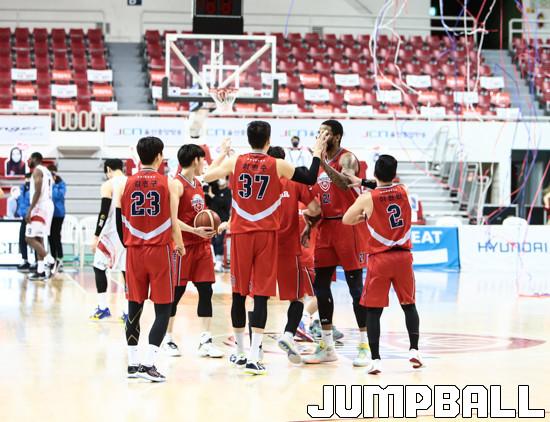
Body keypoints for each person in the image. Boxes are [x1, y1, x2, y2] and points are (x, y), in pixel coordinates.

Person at [204, 121, 326, 375]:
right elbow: (310, 177)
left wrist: (222, 154)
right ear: (268, 140)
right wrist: (316, 152)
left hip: (240, 234)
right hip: (266, 235)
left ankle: (239, 352)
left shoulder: (235, 161)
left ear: (248, 139)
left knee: (238, 294)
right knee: (261, 295)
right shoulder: (277, 164)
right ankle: (253, 356)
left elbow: (206, 177)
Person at [302, 120, 376, 367]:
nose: (321, 136)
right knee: (321, 287)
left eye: (325, 133)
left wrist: (322, 161)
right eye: (318, 133)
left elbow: (345, 183)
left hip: (348, 226)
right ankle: (327, 346)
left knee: (356, 289)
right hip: (326, 228)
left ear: (337, 136)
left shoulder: (347, 158)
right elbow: (320, 198)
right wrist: (310, 225)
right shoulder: (317, 162)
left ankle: (365, 346)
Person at [342, 154, 422, 374]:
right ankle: (414, 350)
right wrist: (362, 182)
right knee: (409, 305)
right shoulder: (404, 190)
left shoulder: (367, 198)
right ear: (394, 173)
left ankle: (376, 359)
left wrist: (363, 217)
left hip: (380, 259)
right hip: (403, 258)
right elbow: (385, 186)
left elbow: (346, 219)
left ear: (375, 172)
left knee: (373, 311)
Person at [114, 136, 185, 382]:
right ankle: (149, 363)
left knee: (133, 307)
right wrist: (180, 245)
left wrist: (129, 244)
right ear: (159, 156)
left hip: (134, 251)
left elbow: (119, 221)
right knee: (164, 309)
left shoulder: (124, 183)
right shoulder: (170, 183)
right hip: (159, 250)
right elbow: (174, 222)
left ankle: (133, 363)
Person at [165, 144, 224, 359]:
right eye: (203, 159)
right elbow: (171, 218)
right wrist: (194, 230)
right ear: (195, 160)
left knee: (206, 291)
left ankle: (205, 341)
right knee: (176, 294)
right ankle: (167, 339)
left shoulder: (198, 182)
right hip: (183, 247)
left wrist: (211, 226)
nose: (205, 163)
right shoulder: (176, 184)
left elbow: (212, 172)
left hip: (202, 247)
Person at [266, 146, 321, 363]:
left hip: (263, 246)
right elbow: (316, 209)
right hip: (288, 248)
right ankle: (289, 334)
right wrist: (306, 217)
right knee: (297, 297)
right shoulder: (296, 182)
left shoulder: (258, 181)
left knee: (258, 298)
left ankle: (252, 348)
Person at [90, 159, 128, 321]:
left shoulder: (109, 184)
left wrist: (95, 236)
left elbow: (103, 213)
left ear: (108, 169)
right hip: (127, 233)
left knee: (98, 267)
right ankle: (128, 312)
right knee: (127, 272)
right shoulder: (131, 181)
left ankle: (103, 307)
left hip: (110, 234)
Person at [25, 152, 55, 280]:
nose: (28, 161)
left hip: (40, 206)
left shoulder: (37, 170)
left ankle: (50, 260)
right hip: (47, 205)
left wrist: (30, 210)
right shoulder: (46, 171)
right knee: (38, 238)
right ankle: (40, 271)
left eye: (30, 158)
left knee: (29, 238)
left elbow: (37, 191)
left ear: (35, 159)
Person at [205, 177, 231, 272]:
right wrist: (207, 194)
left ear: (227, 180)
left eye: (222, 178)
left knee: (219, 240)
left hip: (222, 221)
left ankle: (219, 262)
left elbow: (224, 204)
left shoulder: (227, 191)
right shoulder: (214, 189)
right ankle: (214, 261)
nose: (220, 180)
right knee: (212, 241)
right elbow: (208, 203)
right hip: (212, 220)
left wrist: (212, 196)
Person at [48, 164, 66, 273]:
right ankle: (53, 259)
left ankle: (60, 259)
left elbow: (57, 196)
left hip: (58, 214)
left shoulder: (61, 184)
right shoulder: (46, 184)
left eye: (53, 172)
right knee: (50, 237)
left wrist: (53, 185)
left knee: (56, 237)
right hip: (49, 215)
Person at [16, 173, 33, 272]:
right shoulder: (22, 189)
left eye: (29, 178)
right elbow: (21, 203)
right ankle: (25, 260)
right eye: (26, 178)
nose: (27, 180)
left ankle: (37, 261)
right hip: (24, 217)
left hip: (32, 218)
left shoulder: (34, 190)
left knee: (34, 239)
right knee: (22, 239)